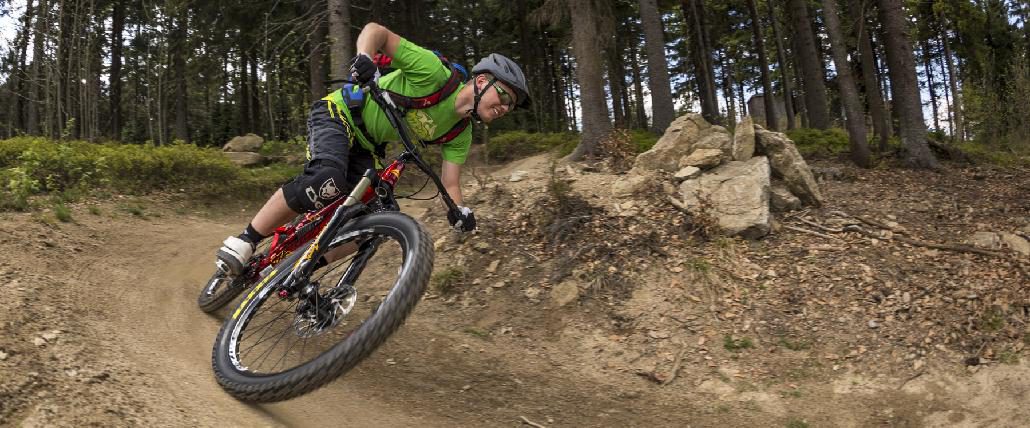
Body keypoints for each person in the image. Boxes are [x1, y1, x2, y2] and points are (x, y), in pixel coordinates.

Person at [215, 22, 531, 276]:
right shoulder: (434, 72)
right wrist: (365, 57)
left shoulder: (461, 133)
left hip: (367, 147)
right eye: (504, 97)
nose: (505, 108)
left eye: (511, 106)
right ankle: (245, 240)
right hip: (339, 114)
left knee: (380, 220)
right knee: (327, 178)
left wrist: (460, 211)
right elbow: (376, 31)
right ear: (481, 81)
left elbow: (450, 184)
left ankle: (299, 271)